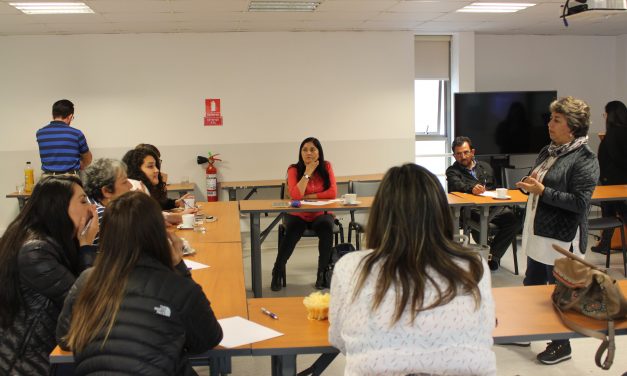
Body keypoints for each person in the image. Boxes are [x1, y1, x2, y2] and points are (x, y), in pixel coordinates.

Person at [329, 163, 496, 375]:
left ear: (380, 215)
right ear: (441, 213)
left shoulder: (350, 267)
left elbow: (339, 339)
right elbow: (485, 328)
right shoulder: (474, 266)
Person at [56, 192, 223, 375]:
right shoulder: (177, 286)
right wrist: (180, 268)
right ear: (160, 234)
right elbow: (208, 340)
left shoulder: (87, 280)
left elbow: (64, 338)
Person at [516, 96, 599, 365]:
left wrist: (543, 191)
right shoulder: (549, 150)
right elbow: (538, 180)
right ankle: (529, 328)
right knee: (532, 284)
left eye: (556, 120)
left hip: (561, 238)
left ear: (572, 127)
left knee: (560, 292)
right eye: (551, 118)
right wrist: (529, 185)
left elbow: (580, 203)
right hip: (538, 231)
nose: (549, 123)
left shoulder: (585, 159)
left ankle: (562, 344)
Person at [0, 175, 98, 375]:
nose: (91, 209)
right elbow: (83, 301)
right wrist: (86, 245)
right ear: (58, 207)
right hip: (27, 362)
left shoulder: (53, 240)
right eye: (83, 201)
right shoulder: (34, 251)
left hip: (48, 349)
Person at [271, 137, 337, 291]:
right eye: (305, 150)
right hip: (298, 215)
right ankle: (278, 271)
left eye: (313, 149)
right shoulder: (293, 169)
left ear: (319, 152)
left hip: (319, 214)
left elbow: (333, 192)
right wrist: (307, 173)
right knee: (293, 230)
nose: (309, 153)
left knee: (327, 227)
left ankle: (322, 274)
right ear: (300, 153)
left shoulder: (326, 167)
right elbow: (295, 195)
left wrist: (308, 197)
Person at [446, 136, 521, 271]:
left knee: (513, 221)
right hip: (470, 209)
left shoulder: (485, 167)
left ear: (472, 152)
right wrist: (471, 189)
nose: (462, 156)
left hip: (493, 206)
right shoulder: (452, 171)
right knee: (482, 223)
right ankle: (485, 256)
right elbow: (458, 184)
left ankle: (493, 257)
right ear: (454, 155)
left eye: (465, 152)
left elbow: (495, 187)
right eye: (458, 153)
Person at [592, 100, 627, 254]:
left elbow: (611, 160)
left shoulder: (613, 135)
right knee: (613, 212)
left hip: (613, 183)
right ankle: (604, 244)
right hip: (621, 184)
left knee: (611, 213)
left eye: (605, 113)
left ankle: (605, 244)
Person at [122, 147, 192, 211]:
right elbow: (148, 217)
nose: (157, 170)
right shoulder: (136, 187)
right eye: (150, 166)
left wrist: (176, 203)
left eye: (156, 165)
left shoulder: (149, 187)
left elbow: (159, 203)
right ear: (136, 169)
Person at [82, 158, 133, 244]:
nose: (130, 185)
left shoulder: (89, 202)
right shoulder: (102, 215)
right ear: (106, 191)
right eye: (124, 182)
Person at [36, 99, 92, 175]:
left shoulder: (40, 133)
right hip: (70, 180)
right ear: (70, 116)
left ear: (53, 115)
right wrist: (80, 165)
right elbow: (88, 158)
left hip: (47, 180)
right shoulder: (76, 133)